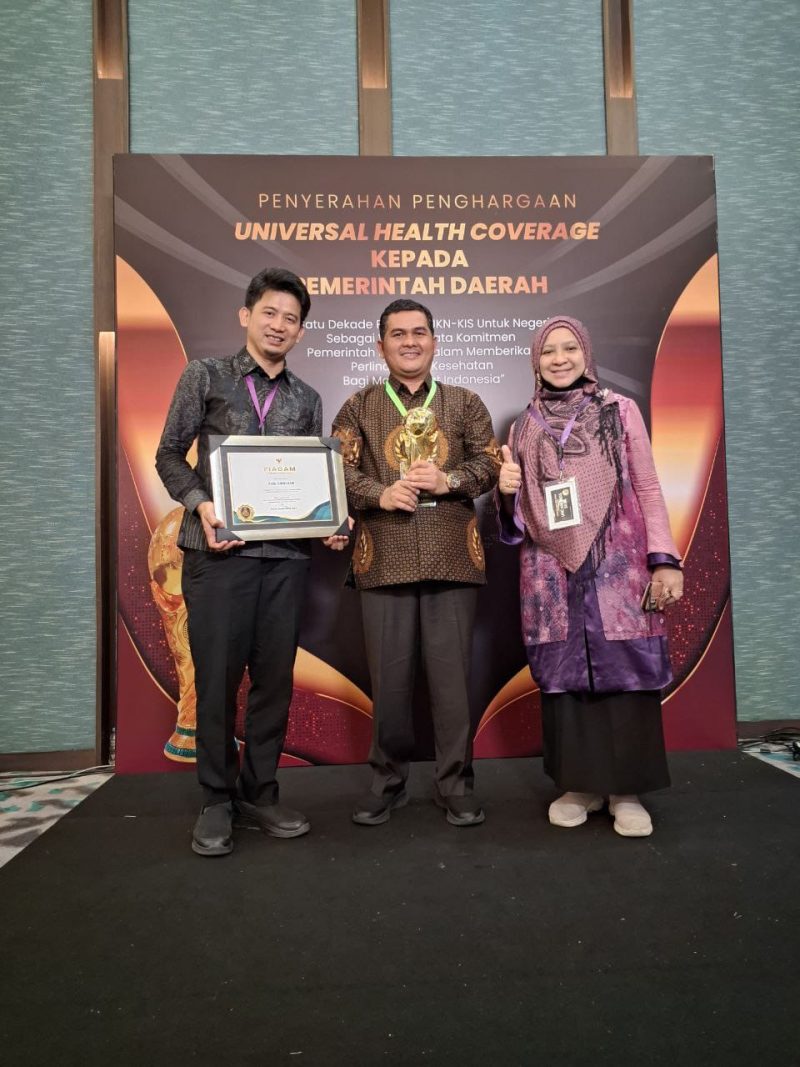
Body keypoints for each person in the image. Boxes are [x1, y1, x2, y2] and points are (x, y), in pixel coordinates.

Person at [156, 267, 348, 857]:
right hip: (217, 557)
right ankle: (216, 799)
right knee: (216, 680)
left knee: (274, 681)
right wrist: (202, 504)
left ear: (300, 332)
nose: (279, 326)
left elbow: (309, 480)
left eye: (291, 319)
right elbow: (168, 456)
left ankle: (259, 792)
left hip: (286, 561)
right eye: (270, 313)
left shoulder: (307, 399)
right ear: (247, 315)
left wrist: (329, 519)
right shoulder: (206, 376)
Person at [497, 316, 684, 837]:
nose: (559, 359)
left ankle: (626, 793)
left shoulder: (619, 411)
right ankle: (578, 785)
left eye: (569, 348)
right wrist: (507, 490)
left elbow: (647, 486)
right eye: (548, 351)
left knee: (625, 674)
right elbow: (520, 518)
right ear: (535, 361)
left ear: (586, 353)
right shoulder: (524, 425)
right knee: (565, 681)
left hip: (617, 568)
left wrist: (663, 559)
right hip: (550, 572)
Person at [332, 299, 501, 827]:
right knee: (390, 683)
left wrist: (450, 481)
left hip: (452, 556)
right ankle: (388, 783)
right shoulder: (358, 406)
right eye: (398, 334)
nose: (410, 341)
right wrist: (380, 495)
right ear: (380, 346)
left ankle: (455, 784)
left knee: (452, 684)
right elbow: (337, 470)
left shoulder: (466, 403)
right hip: (384, 558)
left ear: (434, 341)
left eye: (420, 333)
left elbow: (489, 464)